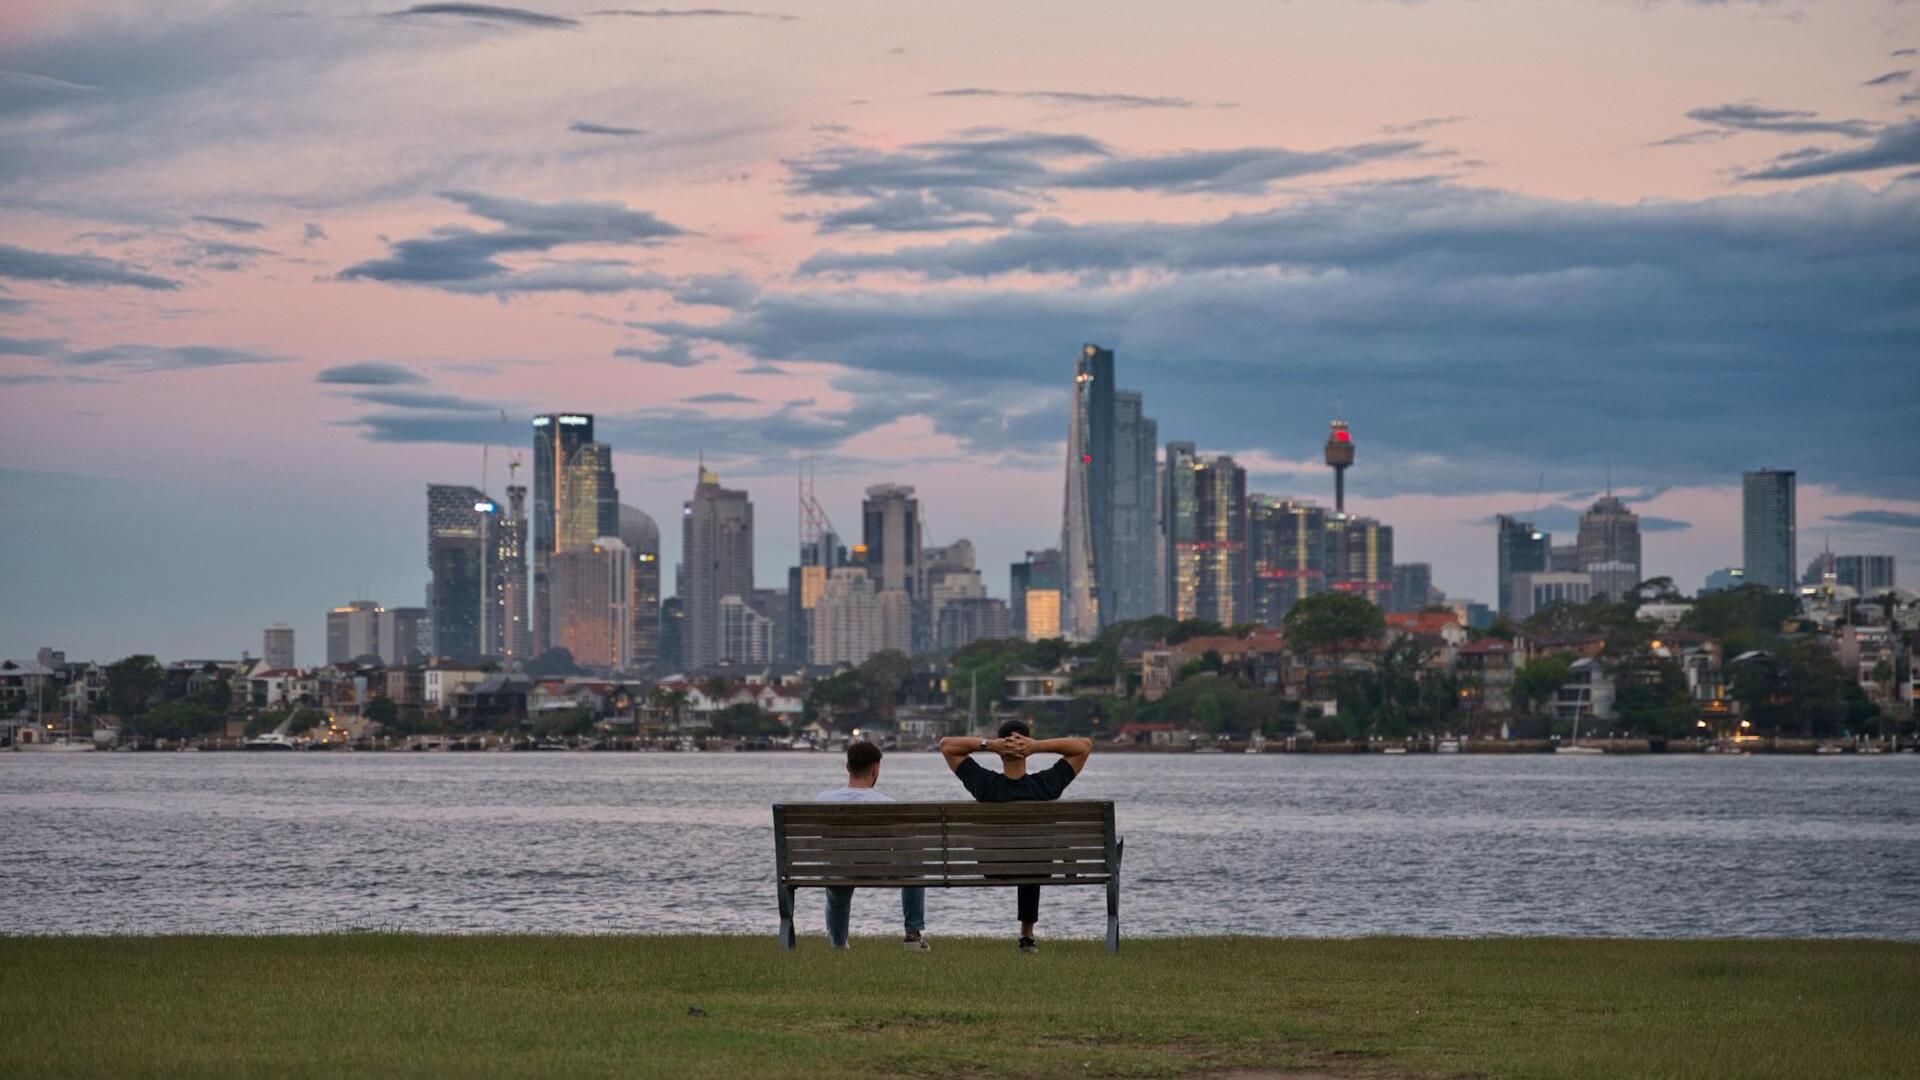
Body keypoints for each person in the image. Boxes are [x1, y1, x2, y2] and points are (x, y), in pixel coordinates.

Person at [938, 720, 1093, 954]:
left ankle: (1027, 934)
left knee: (1027, 854)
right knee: (1032, 856)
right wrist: (1036, 746)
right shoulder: (1046, 786)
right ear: (1028, 747)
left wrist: (990, 745)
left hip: (993, 866)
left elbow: (946, 745)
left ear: (1000, 750)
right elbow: (1084, 746)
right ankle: (1027, 934)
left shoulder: (985, 785)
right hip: (1037, 867)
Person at [814, 740, 929, 951]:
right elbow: (905, 848)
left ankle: (838, 944)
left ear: (847, 767)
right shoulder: (888, 804)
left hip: (836, 870)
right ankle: (913, 935)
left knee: (837, 876)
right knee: (915, 869)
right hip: (879, 870)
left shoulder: (823, 799)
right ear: (876, 769)